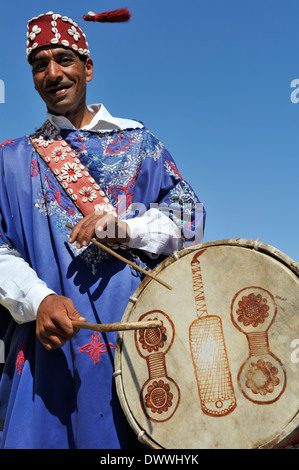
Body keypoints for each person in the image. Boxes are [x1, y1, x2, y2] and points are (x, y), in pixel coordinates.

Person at [0, 10, 205, 449]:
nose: (53, 73)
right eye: (40, 64)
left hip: (141, 347)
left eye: (64, 59)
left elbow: (190, 222)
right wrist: (39, 300)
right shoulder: (12, 161)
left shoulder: (140, 143)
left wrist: (126, 228)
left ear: (87, 67)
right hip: (50, 351)